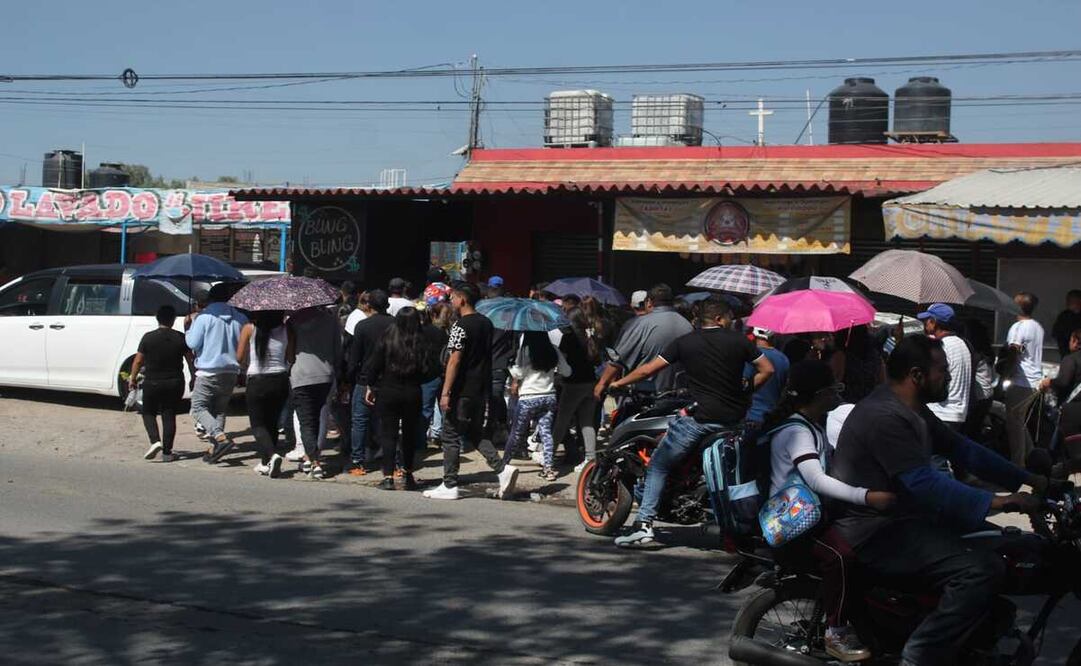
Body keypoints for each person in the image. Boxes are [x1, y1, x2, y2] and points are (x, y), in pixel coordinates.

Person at [830, 335, 1053, 666]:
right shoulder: (885, 416)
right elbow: (924, 484)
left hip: (905, 521)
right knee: (980, 569)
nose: (949, 377)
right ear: (917, 375)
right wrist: (1002, 501)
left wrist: (1032, 480)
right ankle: (920, 655)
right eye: (943, 371)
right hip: (874, 532)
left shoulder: (913, 410)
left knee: (999, 543)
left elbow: (964, 450)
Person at [608, 295, 774, 547]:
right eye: (729, 317)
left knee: (658, 466)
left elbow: (647, 370)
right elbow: (767, 370)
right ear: (720, 318)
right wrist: (746, 389)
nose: (731, 321)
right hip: (734, 421)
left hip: (699, 420)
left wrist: (618, 383)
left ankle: (643, 525)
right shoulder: (740, 341)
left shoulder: (685, 343)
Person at [763, 360, 895, 663]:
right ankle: (835, 632)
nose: (838, 394)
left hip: (812, 515)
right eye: (834, 388)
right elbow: (816, 479)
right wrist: (867, 496)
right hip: (793, 523)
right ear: (820, 394)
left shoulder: (814, 425)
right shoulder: (796, 432)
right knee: (841, 556)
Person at [424, 281, 520, 501]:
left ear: (462, 299)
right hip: (480, 388)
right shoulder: (486, 323)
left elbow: (454, 360)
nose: (451, 302)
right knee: (475, 433)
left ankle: (449, 484)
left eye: (453, 298)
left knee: (450, 435)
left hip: (461, 389)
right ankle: (502, 469)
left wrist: (446, 392)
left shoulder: (460, 326)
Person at [364, 307, 435, 490]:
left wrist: (370, 385)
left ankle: (388, 476)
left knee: (389, 434)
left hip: (389, 389)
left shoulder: (388, 338)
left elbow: (374, 365)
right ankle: (408, 473)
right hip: (412, 390)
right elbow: (431, 369)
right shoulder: (421, 341)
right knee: (410, 434)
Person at [594, 283, 694, 399]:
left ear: (649, 302)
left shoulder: (640, 323)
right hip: (679, 395)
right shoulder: (687, 324)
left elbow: (617, 360)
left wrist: (602, 383)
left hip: (644, 395)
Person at [185, 283, 247, 462]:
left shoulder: (204, 317)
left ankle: (220, 438)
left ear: (211, 298)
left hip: (208, 371)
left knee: (197, 408)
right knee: (219, 410)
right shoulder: (240, 317)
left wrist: (189, 328)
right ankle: (216, 448)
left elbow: (193, 344)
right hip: (231, 370)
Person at [504, 331, 571, 481]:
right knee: (546, 433)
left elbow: (519, 373)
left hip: (528, 397)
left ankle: (503, 465)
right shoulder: (553, 349)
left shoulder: (525, 350)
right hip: (549, 396)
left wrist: (510, 364)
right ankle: (548, 468)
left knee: (516, 433)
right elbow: (567, 371)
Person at [133, 305, 195, 462]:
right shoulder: (180, 337)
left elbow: (139, 360)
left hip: (152, 381)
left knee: (148, 412)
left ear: (157, 318)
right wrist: (194, 376)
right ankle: (167, 452)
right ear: (173, 320)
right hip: (174, 382)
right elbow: (190, 360)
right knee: (169, 414)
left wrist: (132, 378)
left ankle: (155, 441)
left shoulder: (148, 337)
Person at [287, 304, 341, 479]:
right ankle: (311, 456)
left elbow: (289, 352)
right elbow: (337, 349)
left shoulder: (293, 321)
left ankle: (314, 460)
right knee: (316, 418)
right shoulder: (331, 320)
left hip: (301, 374)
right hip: (325, 374)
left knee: (306, 420)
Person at [237, 310, 292, 478]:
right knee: (272, 422)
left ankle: (272, 455)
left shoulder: (249, 328)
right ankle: (265, 462)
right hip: (280, 378)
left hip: (257, 379)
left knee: (258, 424)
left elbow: (239, 357)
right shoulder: (287, 329)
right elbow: (291, 356)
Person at [347, 290, 394, 474]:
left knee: (359, 421)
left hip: (364, 378)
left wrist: (348, 377)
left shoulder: (363, 326)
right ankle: (393, 460)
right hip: (390, 378)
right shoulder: (395, 324)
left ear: (369, 305)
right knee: (387, 421)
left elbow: (354, 356)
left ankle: (357, 460)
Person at [551, 308, 602, 471]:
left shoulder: (568, 337)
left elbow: (563, 362)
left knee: (561, 422)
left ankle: (549, 454)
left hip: (573, 384)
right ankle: (590, 457)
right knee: (586, 422)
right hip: (591, 382)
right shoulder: (590, 336)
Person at [1004, 292, 1045, 466]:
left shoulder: (1018, 327)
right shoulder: (1037, 327)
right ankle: (1033, 457)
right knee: (1019, 421)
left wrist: (1005, 374)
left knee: (1014, 424)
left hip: (1021, 381)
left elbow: (1014, 351)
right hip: (1035, 381)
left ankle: (1018, 466)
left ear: (1018, 307)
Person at [918, 304, 972, 431]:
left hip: (940, 413)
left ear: (934, 322)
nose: (925, 323)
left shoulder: (941, 346)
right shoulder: (962, 343)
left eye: (927, 320)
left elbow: (928, 378)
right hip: (957, 413)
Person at [1040, 328, 1081, 457]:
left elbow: (1063, 381)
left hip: (1072, 411)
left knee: (1066, 451)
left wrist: (1049, 382)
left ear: (1075, 341)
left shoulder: (1070, 359)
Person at [743, 327, 790, 438]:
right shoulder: (783, 358)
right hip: (771, 417)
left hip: (750, 416)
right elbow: (784, 387)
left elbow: (743, 384)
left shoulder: (753, 356)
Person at [485, 277, 514, 446]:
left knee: (494, 396)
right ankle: (498, 427)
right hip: (499, 362)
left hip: (493, 362)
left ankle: (494, 429)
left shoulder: (483, 311)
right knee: (495, 396)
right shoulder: (510, 313)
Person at [831, 326, 884, 403]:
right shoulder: (875, 355)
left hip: (846, 405)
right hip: (870, 403)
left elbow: (833, 383)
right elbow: (882, 382)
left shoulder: (840, 356)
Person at [1051, 290, 1081, 358]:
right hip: (1066, 353)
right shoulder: (1064, 316)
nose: (1067, 303)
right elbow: (1055, 333)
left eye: (1071, 301)